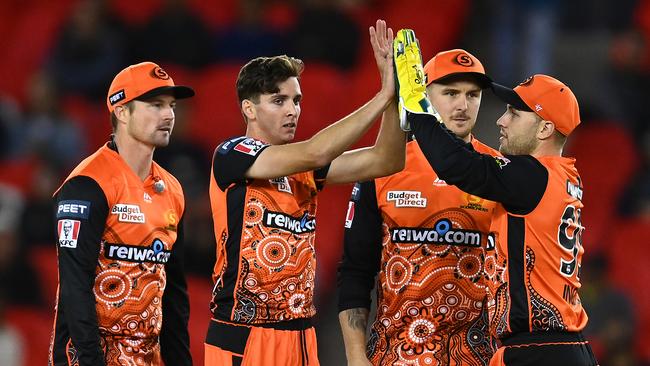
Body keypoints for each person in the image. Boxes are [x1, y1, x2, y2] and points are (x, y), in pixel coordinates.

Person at [205, 20, 406, 365]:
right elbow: (315, 151)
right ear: (249, 108)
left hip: (301, 335)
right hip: (245, 332)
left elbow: (385, 159)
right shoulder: (232, 154)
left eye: (296, 100)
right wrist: (380, 96)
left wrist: (394, 100)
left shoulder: (303, 171)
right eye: (278, 100)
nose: (292, 110)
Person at [398, 49, 598, 364]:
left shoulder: (532, 176)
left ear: (544, 129)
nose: (501, 120)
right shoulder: (563, 176)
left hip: (539, 352)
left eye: (515, 114)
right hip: (564, 347)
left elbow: (457, 166)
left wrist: (416, 106)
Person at [337, 49, 500, 365]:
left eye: (473, 95)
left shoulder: (498, 172)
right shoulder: (384, 169)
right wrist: (355, 357)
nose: (463, 105)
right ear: (423, 95)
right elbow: (356, 270)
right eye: (450, 93)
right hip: (397, 356)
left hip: (480, 358)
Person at [48, 62, 194, 366]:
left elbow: (174, 294)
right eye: (155, 105)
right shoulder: (88, 184)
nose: (168, 115)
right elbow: (75, 286)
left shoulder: (173, 190)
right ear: (122, 111)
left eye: (171, 106)